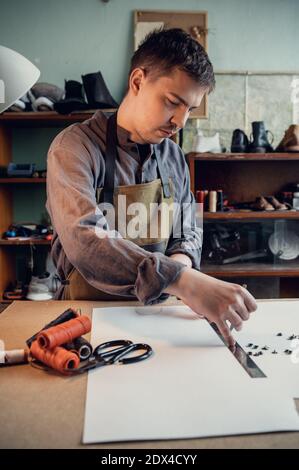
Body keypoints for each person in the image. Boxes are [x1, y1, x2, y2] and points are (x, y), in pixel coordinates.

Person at [46, 28, 257, 348]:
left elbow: (188, 228)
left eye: (189, 109)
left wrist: (182, 269)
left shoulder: (173, 155)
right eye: (173, 102)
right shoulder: (74, 147)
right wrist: (182, 281)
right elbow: (85, 240)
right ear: (137, 81)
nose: (180, 121)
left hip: (161, 316)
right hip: (88, 319)